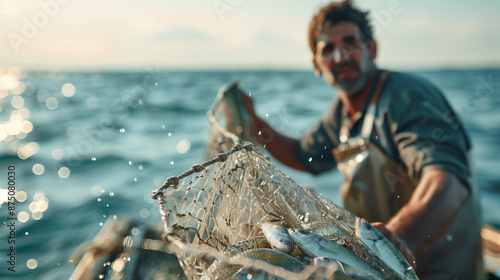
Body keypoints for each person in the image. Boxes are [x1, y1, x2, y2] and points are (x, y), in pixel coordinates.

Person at [239, 1, 484, 279]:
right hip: (376, 269)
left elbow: (446, 180)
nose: (341, 56)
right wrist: (254, 123)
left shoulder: (406, 98)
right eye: (327, 49)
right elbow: (301, 155)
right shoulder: (342, 113)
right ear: (317, 65)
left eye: (351, 42)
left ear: (373, 50)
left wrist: (398, 239)